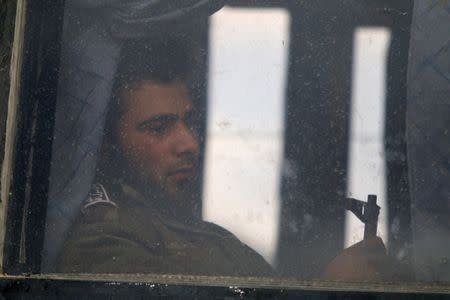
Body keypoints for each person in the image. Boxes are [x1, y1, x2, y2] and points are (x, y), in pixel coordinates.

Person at [57, 39, 396, 280]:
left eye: (188, 121)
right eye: (159, 128)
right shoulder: (102, 241)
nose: (189, 143)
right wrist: (331, 291)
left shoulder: (184, 226)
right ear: (106, 145)